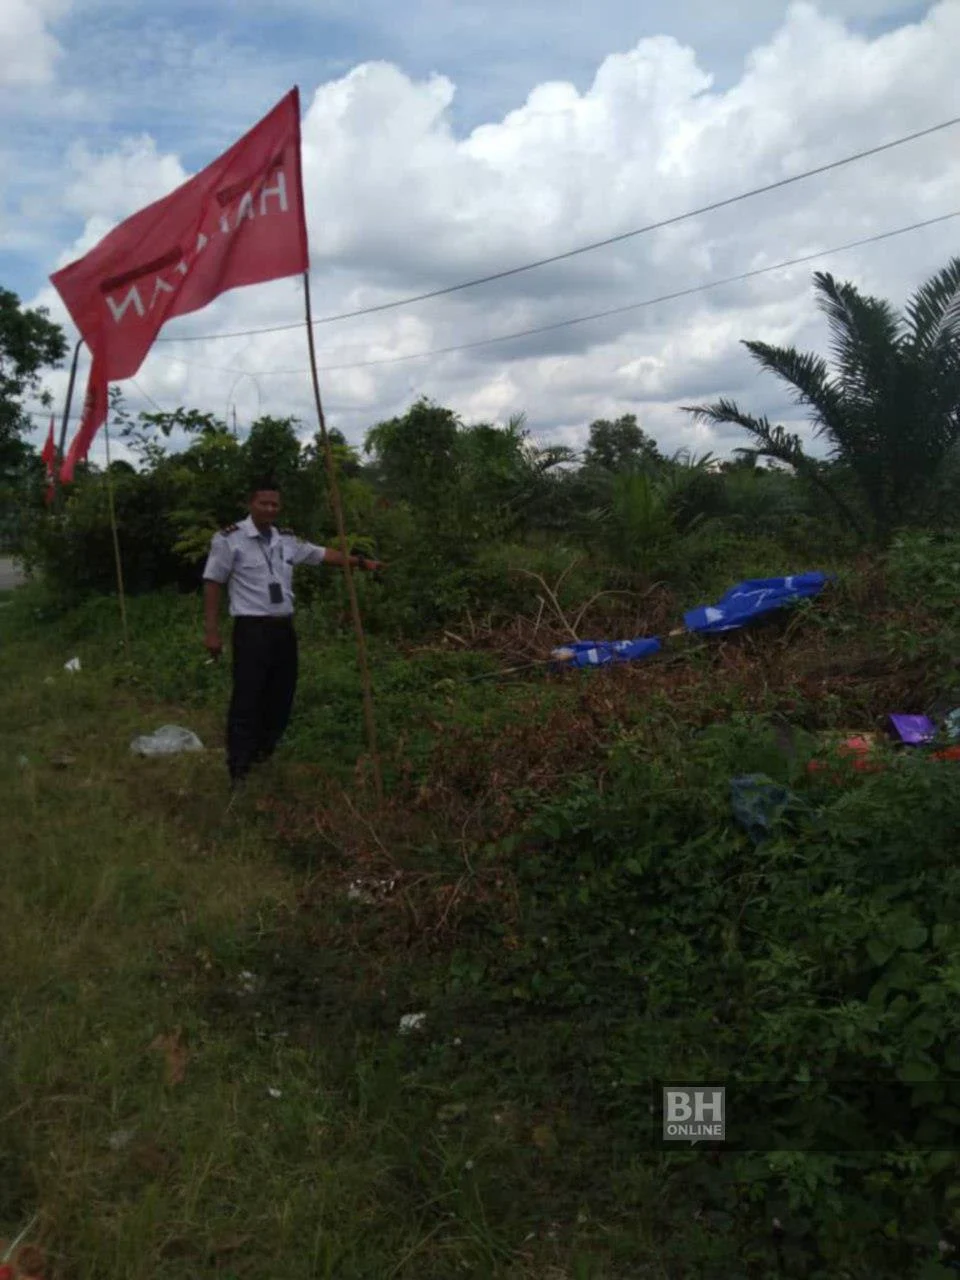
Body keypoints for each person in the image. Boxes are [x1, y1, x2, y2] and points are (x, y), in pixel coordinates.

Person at [202, 481, 383, 784]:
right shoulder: (229, 539)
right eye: (264, 503)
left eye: (275, 504)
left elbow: (322, 554)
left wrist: (361, 562)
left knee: (281, 695)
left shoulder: (285, 540)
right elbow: (213, 582)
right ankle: (239, 768)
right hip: (252, 630)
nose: (270, 509)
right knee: (248, 697)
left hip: (283, 629)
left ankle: (263, 754)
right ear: (250, 504)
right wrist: (211, 632)